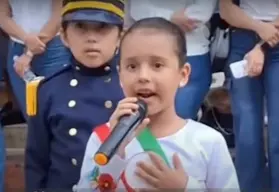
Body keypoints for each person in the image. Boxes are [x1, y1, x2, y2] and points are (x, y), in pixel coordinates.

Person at [76, 17, 239, 191]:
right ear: (120, 75)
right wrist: (115, 155)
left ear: (183, 74)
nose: (143, 76)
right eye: (132, 66)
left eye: (157, 65)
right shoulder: (102, 139)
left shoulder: (207, 142)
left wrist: (185, 188)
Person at [24, 0, 124, 191]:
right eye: (80, 27)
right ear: (64, 36)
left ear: (120, 36)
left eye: (102, 28)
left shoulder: (132, 87)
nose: (91, 38)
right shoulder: (48, 89)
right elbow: (37, 160)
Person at [220, 0, 279, 191]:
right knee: (247, 133)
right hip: (243, 38)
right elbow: (226, 10)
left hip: (276, 36)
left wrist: (261, 45)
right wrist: (259, 28)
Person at [124, 0, 217, 119]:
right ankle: (149, 139)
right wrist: (170, 18)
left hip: (191, 52)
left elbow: (201, 13)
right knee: (139, 119)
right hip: (141, 51)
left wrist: (152, 19)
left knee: (181, 115)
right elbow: (136, 9)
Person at [0, 0, 70, 119]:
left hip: (54, 47)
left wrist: (29, 53)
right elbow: (2, 15)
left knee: (58, 111)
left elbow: (59, 14)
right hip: (18, 47)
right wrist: (26, 39)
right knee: (30, 113)